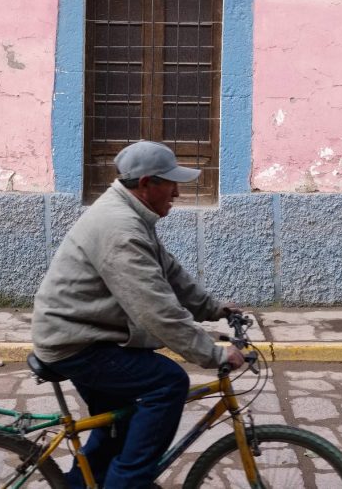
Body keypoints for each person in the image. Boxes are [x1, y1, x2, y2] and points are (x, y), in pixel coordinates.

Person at [32, 140, 245, 489]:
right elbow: (156, 310)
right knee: (168, 382)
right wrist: (212, 353)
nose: (177, 191)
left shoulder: (131, 212)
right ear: (147, 184)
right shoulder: (121, 227)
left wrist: (212, 308)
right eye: (170, 182)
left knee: (117, 428)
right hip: (76, 343)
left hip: (87, 334)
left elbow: (168, 271)